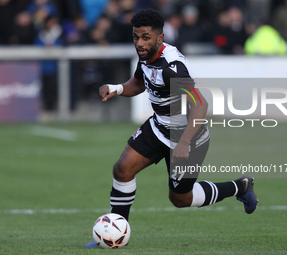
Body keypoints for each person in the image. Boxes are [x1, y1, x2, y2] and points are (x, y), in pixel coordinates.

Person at [85, 9, 258, 248]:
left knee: (180, 199)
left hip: (188, 136)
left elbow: (200, 105)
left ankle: (240, 186)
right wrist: (117, 88)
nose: (139, 43)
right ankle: (117, 233)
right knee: (122, 169)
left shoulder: (172, 67)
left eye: (145, 37)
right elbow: (138, 82)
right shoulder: (146, 55)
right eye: (136, 37)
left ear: (160, 38)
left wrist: (184, 142)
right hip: (159, 128)